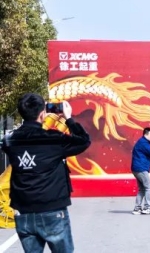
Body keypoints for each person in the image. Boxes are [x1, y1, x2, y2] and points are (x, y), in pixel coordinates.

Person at [1, 93, 91, 253]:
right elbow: (84, 141)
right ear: (43, 113)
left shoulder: (10, 141)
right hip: (52, 210)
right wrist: (68, 118)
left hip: (23, 212)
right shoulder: (53, 139)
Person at [131, 127, 150, 215]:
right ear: (146, 135)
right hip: (141, 169)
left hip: (137, 168)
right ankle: (147, 208)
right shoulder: (143, 143)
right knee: (149, 187)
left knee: (142, 189)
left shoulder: (143, 142)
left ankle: (137, 208)